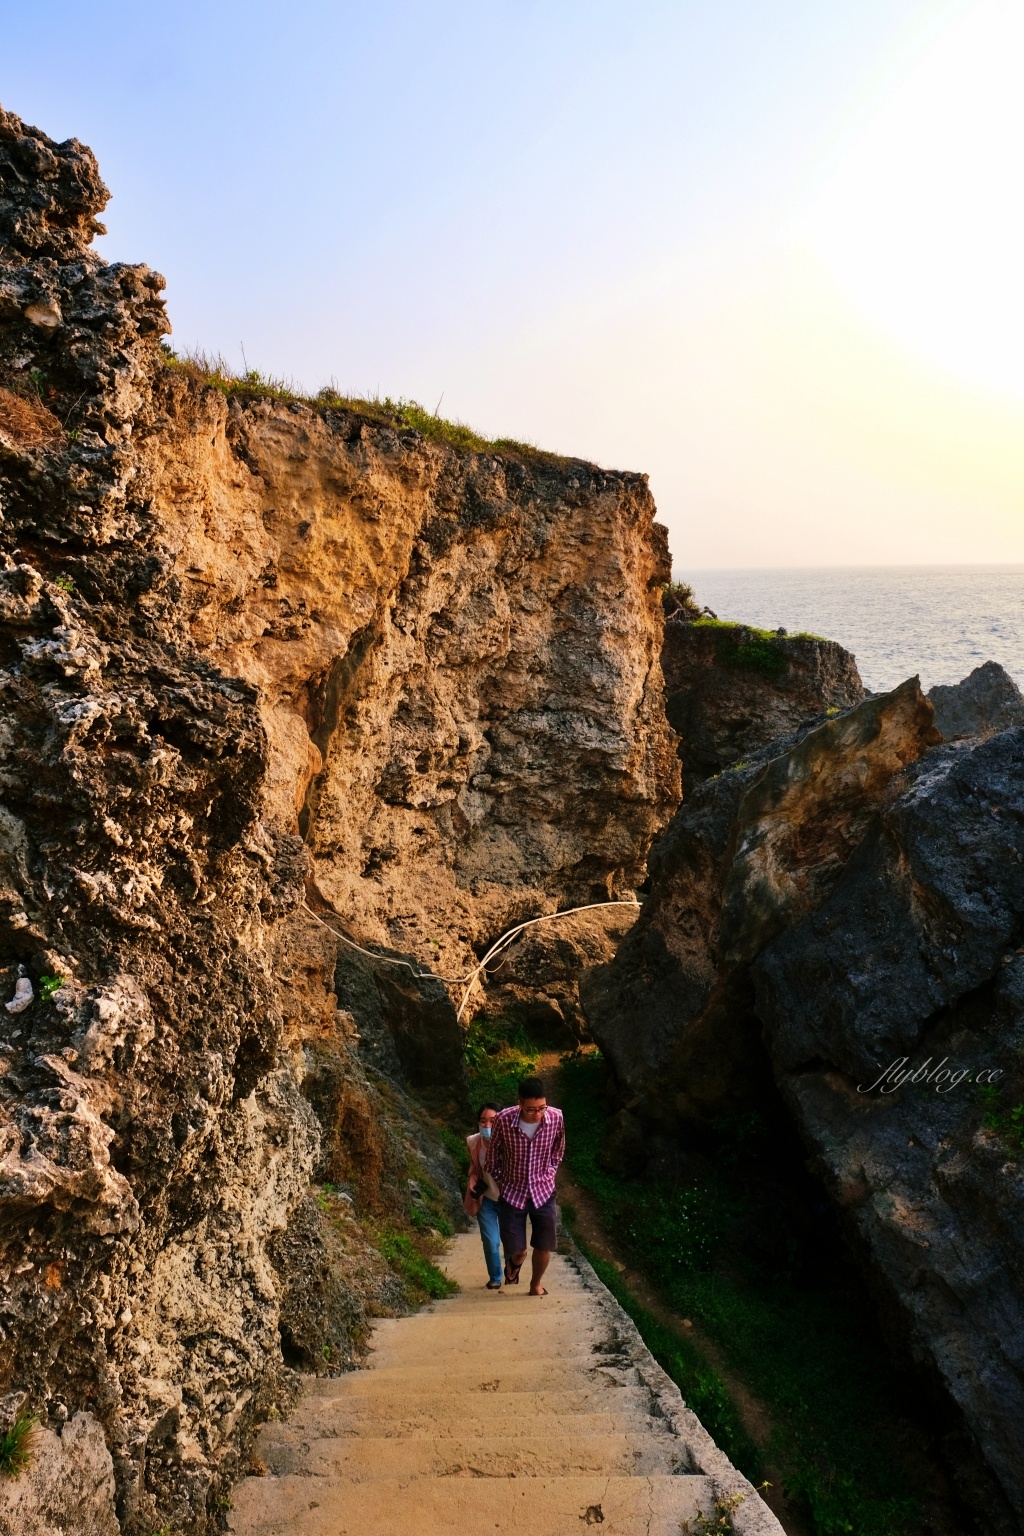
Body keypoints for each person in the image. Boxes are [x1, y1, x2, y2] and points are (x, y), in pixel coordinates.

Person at [489, 1075, 565, 1297]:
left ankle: (535, 1285)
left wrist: (550, 1173)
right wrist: (502, 1181)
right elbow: (493, 1156)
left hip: (543, 1192)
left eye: (542, 1107)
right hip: (513, 1192)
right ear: (519, 1103)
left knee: (544, 1244)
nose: (538, 1114)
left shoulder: (556, 1118)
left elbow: (558, 1151)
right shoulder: (503, 1120)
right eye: (532, 1109)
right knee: (518, 1249)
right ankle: (514, 1263)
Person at [464, 1102, 504, 1289]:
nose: (487, 1126)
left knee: (513, 1244)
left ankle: (512, 1268)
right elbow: (474, 1169)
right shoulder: (474, 1142)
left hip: (508, 1200)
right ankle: (495, 1277)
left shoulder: (511, 1142)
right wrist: (472, 1180)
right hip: (486, 1198)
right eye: (483, 1121)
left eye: (493, 1121)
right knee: (491, 1241)